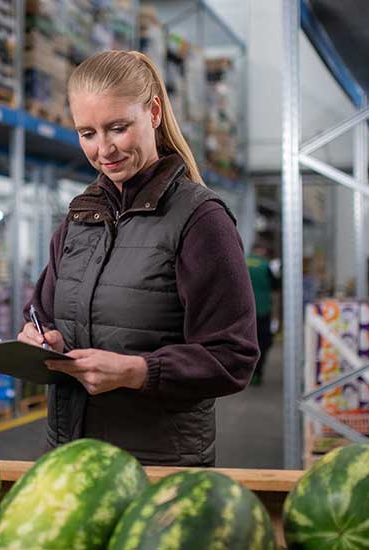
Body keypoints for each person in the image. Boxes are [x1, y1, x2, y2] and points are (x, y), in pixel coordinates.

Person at [18, 50, 259, 467]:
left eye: (117, 128)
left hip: (155, 466)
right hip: (67, 460)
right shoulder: (80, 216)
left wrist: (137, 370)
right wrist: (40, 338)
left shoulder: (200, 220)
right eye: (87, 133)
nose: (103, 149)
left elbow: (233, 356)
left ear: (153, 113)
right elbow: (42, 312)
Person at [247, 243, 273, 386]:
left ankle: (246, 373)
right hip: (262, 309)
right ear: (262, 250)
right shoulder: (265, 265)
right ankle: (257, 373)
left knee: (246, 341)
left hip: (244, 311)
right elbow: (275, 287)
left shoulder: (243, 260)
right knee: (262, 342)